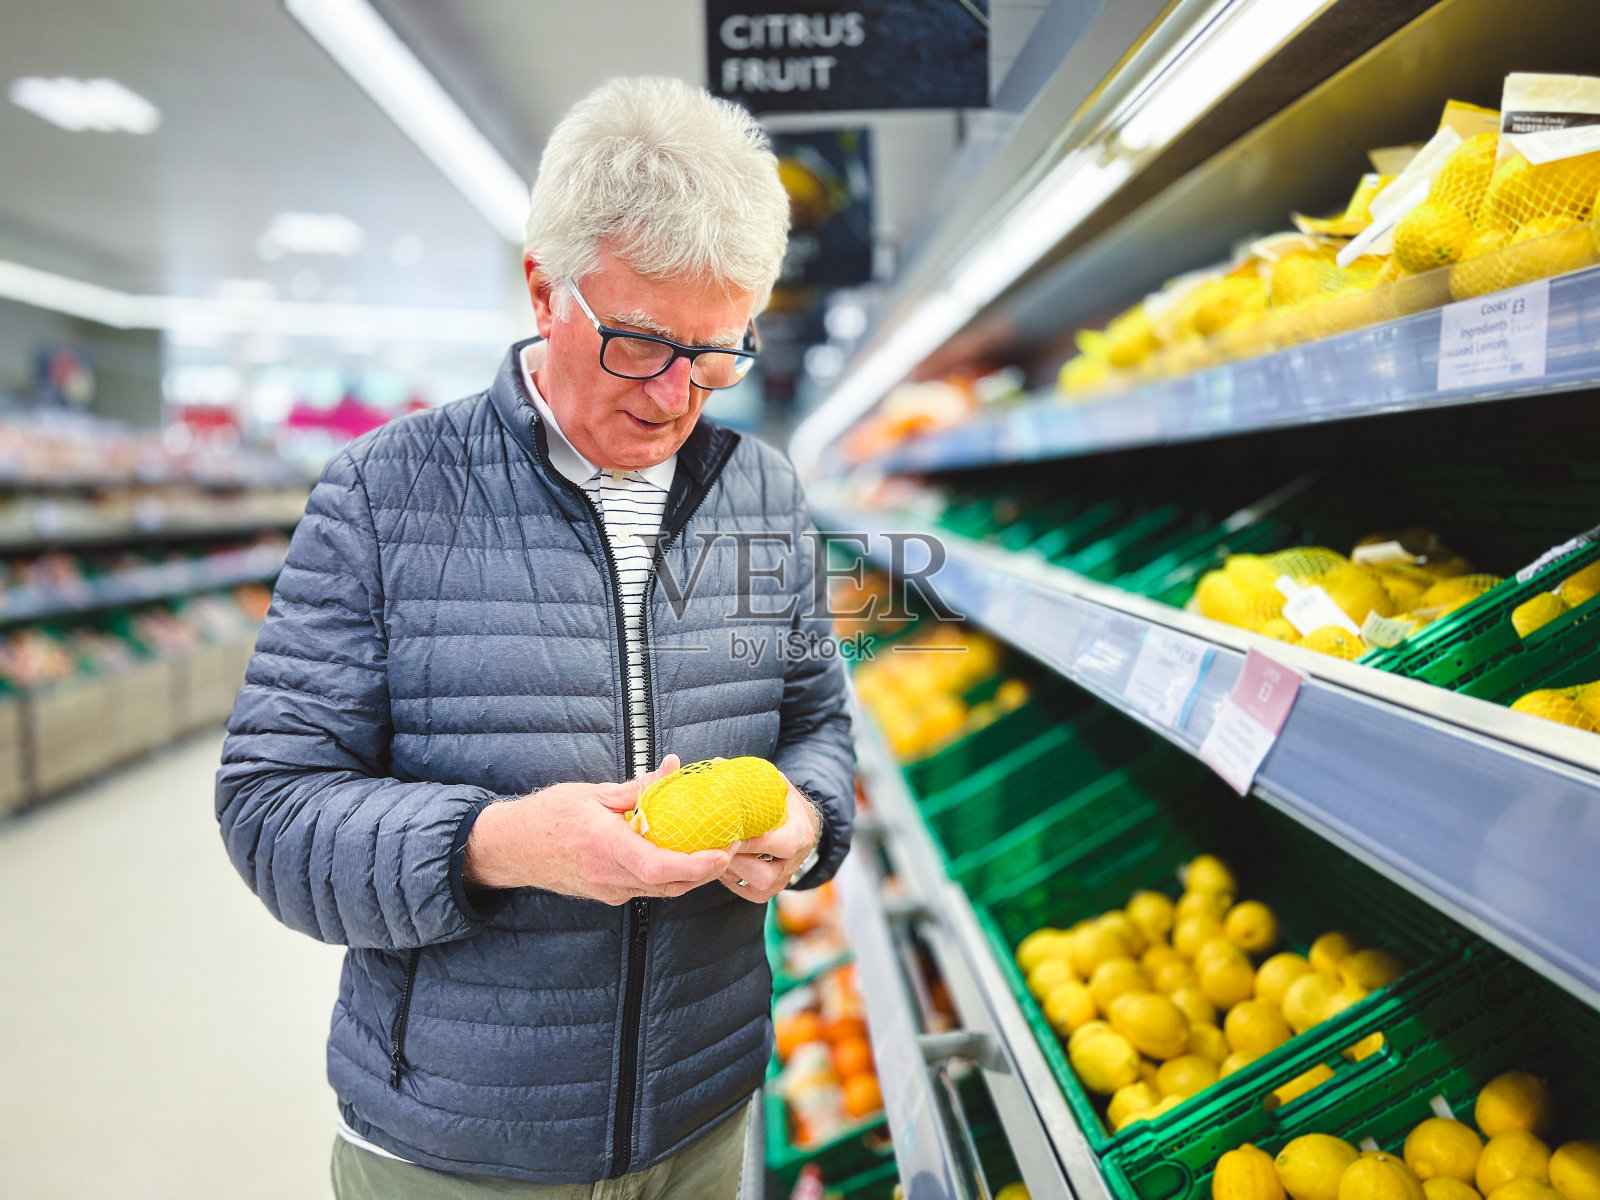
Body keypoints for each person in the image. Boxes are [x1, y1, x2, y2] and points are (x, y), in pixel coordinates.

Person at [216, 75, 855, 1197]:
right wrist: (501, 844)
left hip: (703, 1118)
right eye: (639, 343)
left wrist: (802, 814)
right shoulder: (383, 495)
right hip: (460, 1143)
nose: (674, 398)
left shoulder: (761, 490)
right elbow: (270, 808)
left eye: (716, 354)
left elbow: (816, 722)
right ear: (543, 290)